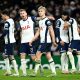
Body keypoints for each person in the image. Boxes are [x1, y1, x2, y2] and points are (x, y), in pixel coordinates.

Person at [29, 6, 57, 77]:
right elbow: (38, 32)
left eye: (41, 11)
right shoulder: (40, 21)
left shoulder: (47, 21)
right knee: (48, 55)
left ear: (44, 12)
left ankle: (35, 72)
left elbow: (51, 31)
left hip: (46, 41)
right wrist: (32, 40)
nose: (40, 12)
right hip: (43, 41)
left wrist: (53, 41)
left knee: (38, 54)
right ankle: (54, 72)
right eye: (39, 11)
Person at [0, 10, 19, 76]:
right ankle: (9, 71)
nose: (1, 17)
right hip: (11, 40)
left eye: (2, 16)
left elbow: (5, 32)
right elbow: (14, 30)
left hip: (9, 41)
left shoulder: (7, 23)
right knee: (7, 56)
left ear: (5, 15)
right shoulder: (11, 20)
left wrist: (0, 37)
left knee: (7, 55)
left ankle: (15, 73)